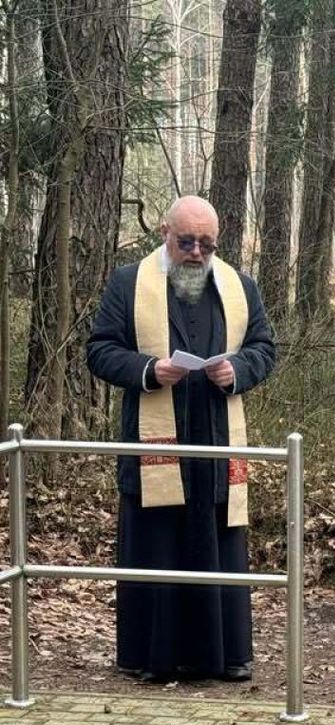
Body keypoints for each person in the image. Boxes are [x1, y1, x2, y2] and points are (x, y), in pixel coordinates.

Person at [86, 195, 276, 682]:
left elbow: (264, 348)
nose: (195, 253)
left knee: (219, 545)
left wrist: (237, 370)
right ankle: (154, 658)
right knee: (159, 546)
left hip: (215, 442)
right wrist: (149, 369)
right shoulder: (129, 283)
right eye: (186, 241)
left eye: (206, 244)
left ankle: (224, 656)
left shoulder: (238, 285)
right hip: (156, 444)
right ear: (165, 234)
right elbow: (101, 350)